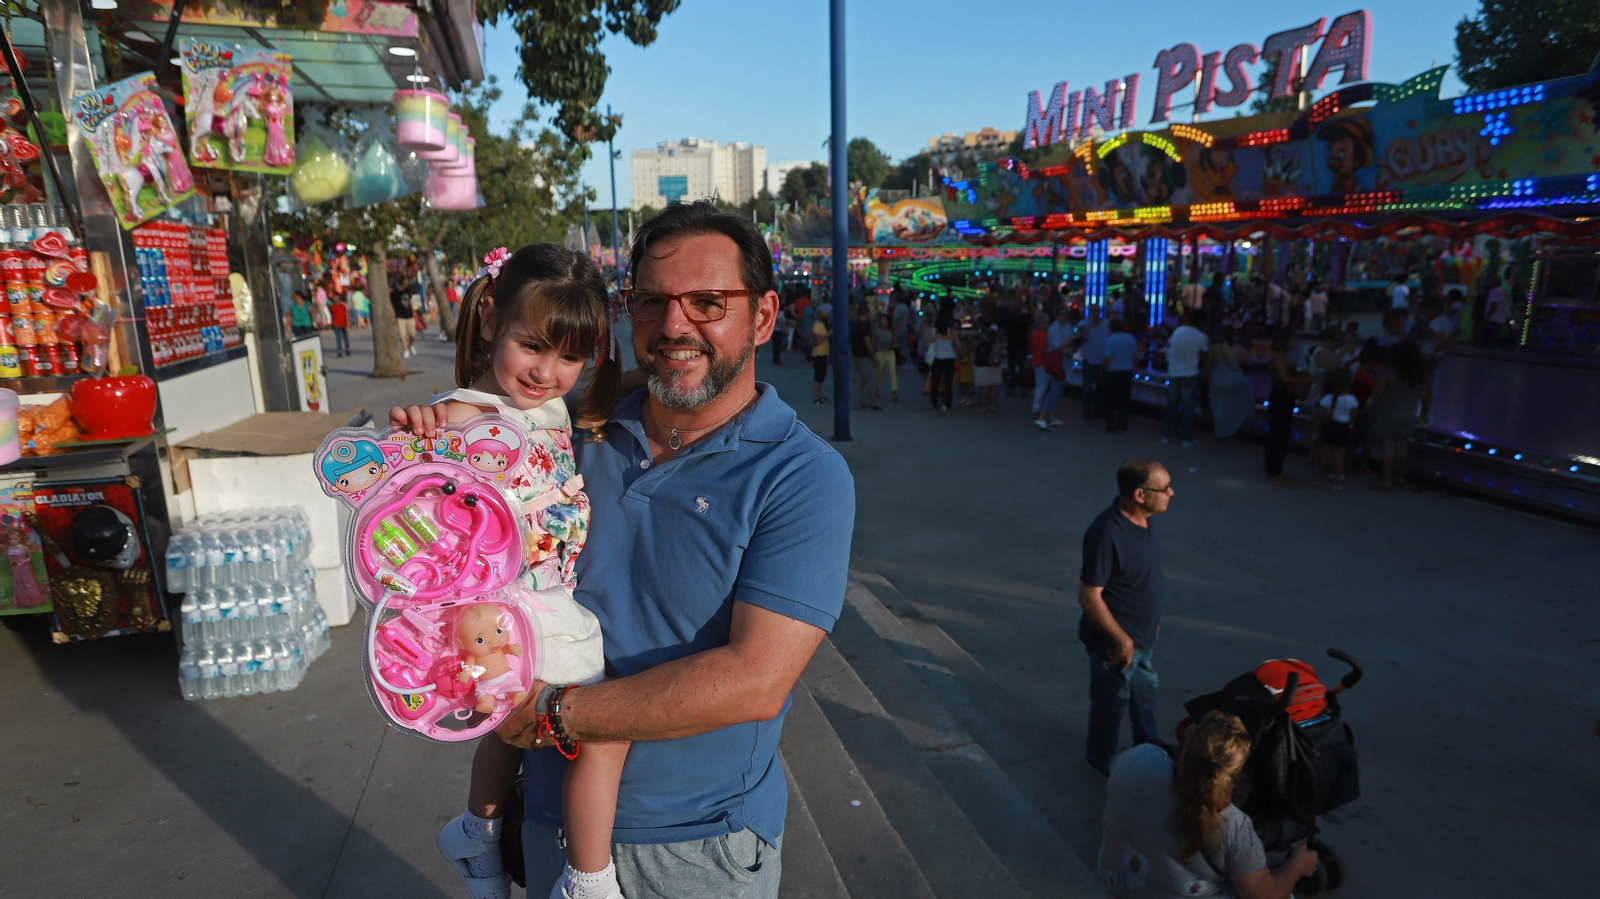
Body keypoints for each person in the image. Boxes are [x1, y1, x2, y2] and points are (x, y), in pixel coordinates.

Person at [493, 200, 854, 899]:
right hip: (549, 816)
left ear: (765, 315)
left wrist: (554, 713)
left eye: (707, 302)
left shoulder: (801, 476)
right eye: (652, 301)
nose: (675, 324)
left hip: (698, 847)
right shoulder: (573, 435)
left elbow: (756, 678)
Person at [390, 244, 625, 899]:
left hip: (531, 600)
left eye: (570, 356)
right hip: (515, 607)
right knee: (606, 720)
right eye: (533, 345)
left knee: (510, 733)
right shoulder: (468, 415)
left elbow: (570, 399)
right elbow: (415, 480)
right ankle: (589, 880)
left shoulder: (544, 406)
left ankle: (478, 832)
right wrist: (420, 436)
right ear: (491, 319)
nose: (547, 372)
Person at [1098, 711, 1320, 898]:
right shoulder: (1233, 826)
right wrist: (1298, 865)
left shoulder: (1139, 756)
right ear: (1237, 771)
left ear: (1187, 743)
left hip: (1115, 877)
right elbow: (1266, 897)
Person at [1079, 458, 1173, 775]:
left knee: (1144, 696)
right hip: (1116, 645)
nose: (1171, 493)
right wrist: (1121, 639)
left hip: (1142, 640)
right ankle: (1101, 758)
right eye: (1164, 488)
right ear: (1139, 494)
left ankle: (1148, 745)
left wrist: (1150, 622)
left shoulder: (1143, 522)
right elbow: (1089, 596)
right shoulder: (1106, 533)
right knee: (1111, 704)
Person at [1367, 340, 1428, 492]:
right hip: (1409, 413)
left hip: (1388, 412)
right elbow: (1427, 396)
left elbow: (1377, 393)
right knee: (1401, 444)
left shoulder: (1388, 372)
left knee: (1387, 444)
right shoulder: (1421, 375)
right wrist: (1425, 414)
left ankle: (1385, 480)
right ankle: (1399, 477)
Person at [1263, 328, 1311, 486]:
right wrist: (1304, 381)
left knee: (1282, 433)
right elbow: (1283, 378)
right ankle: (1274, 470)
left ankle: (1277, 469)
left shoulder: (1285, 356)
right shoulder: (1278, 356)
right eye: (1292, 339)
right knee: (1278, 433)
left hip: (1286, 396)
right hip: (1280, 396)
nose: (1294, 342)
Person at [1162, 310, 1209, 447]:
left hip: (1174, 371)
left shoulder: (1178, 331)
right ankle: (1186, 439)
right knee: (1188, 408)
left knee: (1171, 405)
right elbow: (1205, 357)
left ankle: (1167, 435)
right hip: (1190, 373)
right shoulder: (1202, 337)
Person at [1313, 367, 1358, 490]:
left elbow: (1321, 415)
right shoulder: (1352, 400)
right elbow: (1353, 416)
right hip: (1343, 427)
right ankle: (1337, 481)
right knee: (1339, 455)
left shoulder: (1327, 398)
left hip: (1329, 425)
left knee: (1325, 453)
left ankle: (1319, 478)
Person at [1206, 326, 1254, 440]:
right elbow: (1249, 362)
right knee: (1234, 404)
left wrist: (1209, 376)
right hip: (1235, 379)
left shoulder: (1216, 348)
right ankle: (1231, 429)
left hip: (1218, 378)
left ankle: (1219, 430)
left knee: (1218, 405)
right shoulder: (1240, 349)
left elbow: (1206, 363)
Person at [1101, 318, 1137, 432]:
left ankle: (1110, 425)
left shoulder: (1110, 340)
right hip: (1126, 372)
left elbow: (1107, 358)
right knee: (1125, 400)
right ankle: (1123, 424)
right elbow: (1135, 356)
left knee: (1109, 400)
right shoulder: (1131, 339)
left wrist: (1102, 369)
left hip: (1112, 373)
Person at [1030, 312, 1064, 431]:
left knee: (1040, 386)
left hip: (1037, 362)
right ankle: (1037, 408)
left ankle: (1037, 407)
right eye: (1045, 322)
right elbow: (1045, 349)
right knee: (1043, 387)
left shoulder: (1035, 333)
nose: (1048, 324)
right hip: (1042, 363)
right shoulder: (1042, 335)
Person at [1076, 307, 1110, 419]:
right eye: (1093, 311)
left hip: (1102, 361)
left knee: (1102, 387)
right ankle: (1086, 410)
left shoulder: (1106, 323)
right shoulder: (1083, 324)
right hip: (1089, 360)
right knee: (1087, 387)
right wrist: (1090, 323)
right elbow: (1083, 337)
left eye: (1097, 311)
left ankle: (1098, 408)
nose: (1096, 314)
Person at [927, 302, 959, 415]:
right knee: (948, 384)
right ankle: (948, 407)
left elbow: (929, 344)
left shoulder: (934, 330)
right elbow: (958, 345)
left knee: (935, 383)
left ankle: (934, 407)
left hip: (937, 358)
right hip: (950, 358)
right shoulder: (952, 330)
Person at [849, 304, 881, 410]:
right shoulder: (864, 326)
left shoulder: (854, 324)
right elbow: (868, 342)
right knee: (871, 379)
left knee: (859, 380)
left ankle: (859, 402)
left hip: (856, 355)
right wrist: (874, 356)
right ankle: (873, 402)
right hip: (864, 356)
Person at [972, 313, 1005, 413]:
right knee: (994, 384)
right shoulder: (996, 334)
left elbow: (973, 347)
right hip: (995, 360)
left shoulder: (980, 335)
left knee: (984, 385)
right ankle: (992, 404)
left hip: (982, 361)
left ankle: (984, 405)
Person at [874, 312, 898, 403]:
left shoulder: (891, 331)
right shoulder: (877, 331)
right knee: (878, 373)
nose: (883, 321)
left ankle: (894, 391)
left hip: (890, 353)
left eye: (884, 320)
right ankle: (876, 389)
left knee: (892, 371)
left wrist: (894, 344)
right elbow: (874, 342)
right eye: (881, 320)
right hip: (880, 353)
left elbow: (895, 342)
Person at [810, 304, 831, 405]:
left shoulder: (822, 324)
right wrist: (829, 333)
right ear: (819, 314)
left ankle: (820, 396)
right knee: (818, 377)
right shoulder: (817, 325)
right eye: (825, 314)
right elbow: (819, 340)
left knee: (821, 376)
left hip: (824, 353)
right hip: (819, 354)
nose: (827, 315)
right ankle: (817, 398)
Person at [392, 280, 417, 358]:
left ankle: (411, 345)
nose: (406, 286)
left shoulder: (408, 291)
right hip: (400, 316)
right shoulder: (394, 293)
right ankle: (406, 350)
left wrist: (413, 312)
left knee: (412, 334)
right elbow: (392, 306)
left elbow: (410, 302)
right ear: (401, 284)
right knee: (402, 334)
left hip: (409, 316)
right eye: (405, 284)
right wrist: (394, 317)